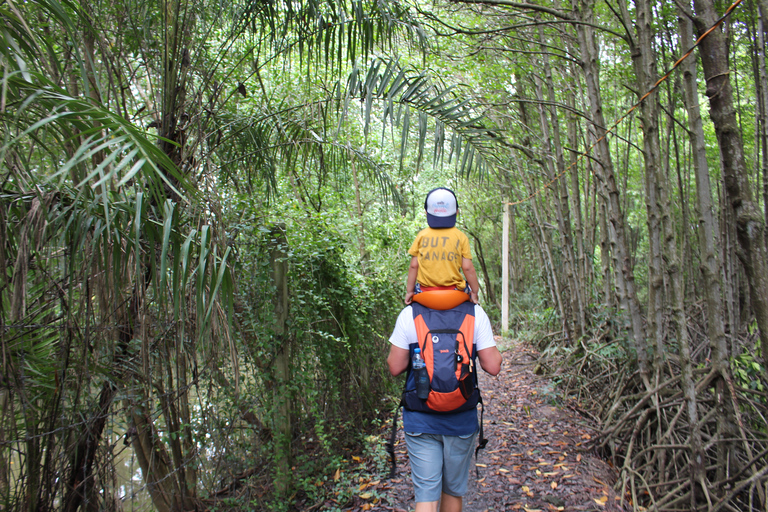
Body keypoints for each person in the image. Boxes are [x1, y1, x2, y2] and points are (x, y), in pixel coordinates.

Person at [387, 302, 502, 512]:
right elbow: (493, 366)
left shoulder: (409, 314)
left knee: (426, 495)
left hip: (420, 420)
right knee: (451, 492)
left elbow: (395, 366)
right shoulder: (475, 314)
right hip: (461, 422)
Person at [404, 188, 481, 306]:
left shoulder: (421, 236)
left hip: (424, 290)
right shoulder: (461, 237)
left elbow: (414, 266)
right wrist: (474, 292)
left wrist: (409, 291)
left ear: (426, 212)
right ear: (456, 212)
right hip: (454, 290)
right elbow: (467, 268)